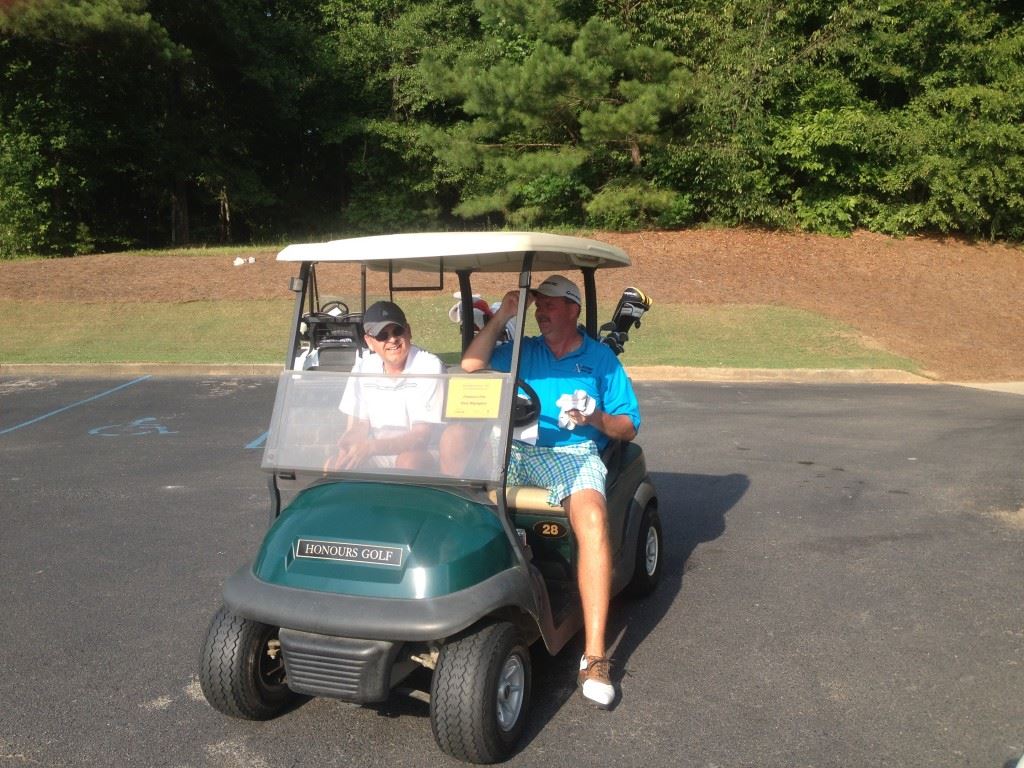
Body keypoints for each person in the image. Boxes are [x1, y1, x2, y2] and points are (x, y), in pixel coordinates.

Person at [461, 275, 641, 709]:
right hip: (518, 447)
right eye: (538, 305)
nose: (542, 312)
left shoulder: (600, 360)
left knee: (593, 520)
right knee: (456, 486)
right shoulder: (523, 350)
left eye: (552, 305)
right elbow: (470, 366)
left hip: (573, 452)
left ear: (574, 309)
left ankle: (595, 656)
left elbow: (628, 425)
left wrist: (596, 417)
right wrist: (504, 313)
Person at [325, 300, 444, 471]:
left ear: (408, 331)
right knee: (333, 466)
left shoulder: (429, 365)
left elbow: (421, 436)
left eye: (398, 331)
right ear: (369, 341)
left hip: (422, 451)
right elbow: (360, 423)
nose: (393, 339)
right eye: (382, 335)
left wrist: (371, 447)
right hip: (375, 451)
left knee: (407, 462)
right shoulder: (362, 367)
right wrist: (347, 445)